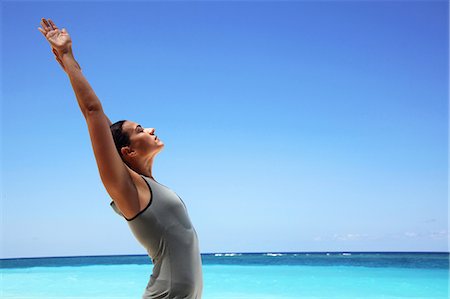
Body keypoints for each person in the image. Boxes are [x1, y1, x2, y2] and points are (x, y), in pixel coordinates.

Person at [38, 18, 203, 299]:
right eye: (140, 130)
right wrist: (66, 55)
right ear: (127, 151)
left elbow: (101, 119)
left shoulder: (148, 185)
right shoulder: (126, 188)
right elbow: (93, 113)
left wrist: (70, 64)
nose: (150, 129)